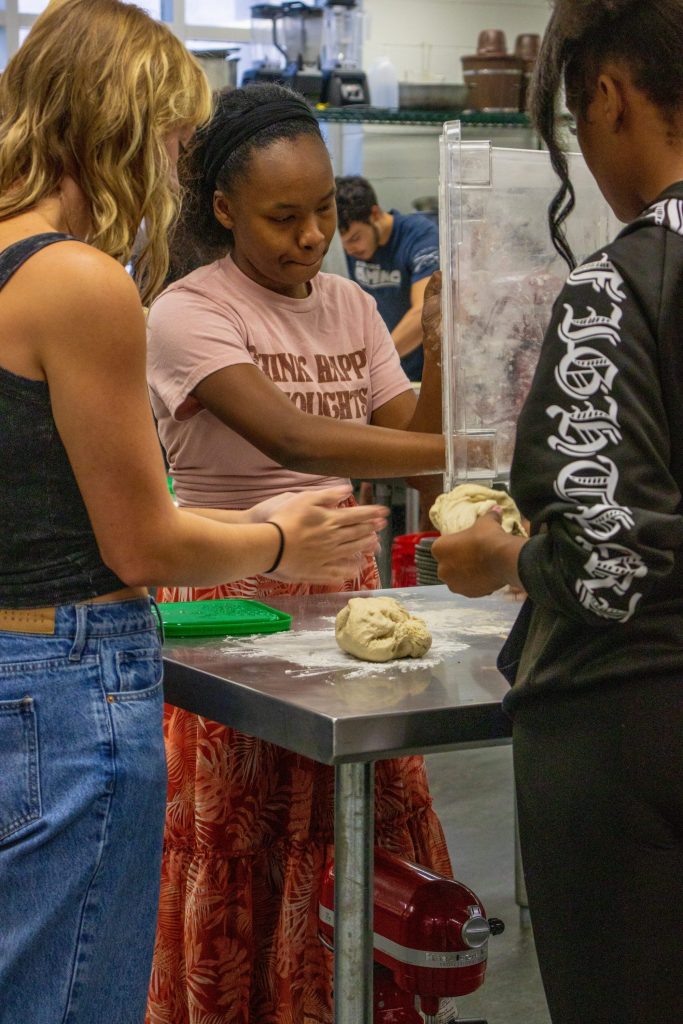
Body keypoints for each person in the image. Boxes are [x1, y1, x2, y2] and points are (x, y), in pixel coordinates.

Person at [0, 7, 388, 1024]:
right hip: (67, 679)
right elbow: (143, 539)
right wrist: (279, 541)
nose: (174, 178)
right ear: (118, 129)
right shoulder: (78, 282)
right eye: (172, 146)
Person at [145, 83, 451, 1024]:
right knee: (244, 839)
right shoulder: (187, 312)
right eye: (283, 217)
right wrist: (472, 450)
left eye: (322, 210)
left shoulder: (352, 309)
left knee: (349, 822)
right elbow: (300, 443)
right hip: (230, 602)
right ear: (225, 209)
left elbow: (408, 437)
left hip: (348, 608)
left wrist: (443, 355)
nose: (311, 235)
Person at [431, 1, 683, 1021]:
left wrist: (502, 560)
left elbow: (609, 562)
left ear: (610, 97)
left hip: (631, 735)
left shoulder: (618, 288)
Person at [335, 174, 440, 382]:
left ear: (375, 214)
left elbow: (426, 311)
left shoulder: (420, 236)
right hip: (384, 370)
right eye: (343, 243)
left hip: (422, 373)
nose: (350, 249)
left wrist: (375, 361)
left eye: (355, 238)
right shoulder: (356, 249)